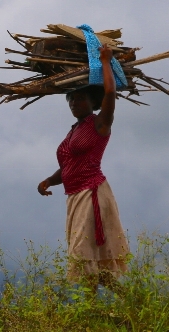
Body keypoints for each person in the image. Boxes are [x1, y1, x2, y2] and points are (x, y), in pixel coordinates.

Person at [37, 45, 130, 289]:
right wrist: (49, 180)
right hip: (75, 196)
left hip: (92, 194)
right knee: (88, 256)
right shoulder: (74, 130)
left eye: (80, 99)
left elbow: (110, 94)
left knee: (83, 253)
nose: (74, 103)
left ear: (92, 102)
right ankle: (127, 302)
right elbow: (69, 165)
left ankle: (90, 310)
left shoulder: (100, 125)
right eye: (71, 99)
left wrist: (106, 61)